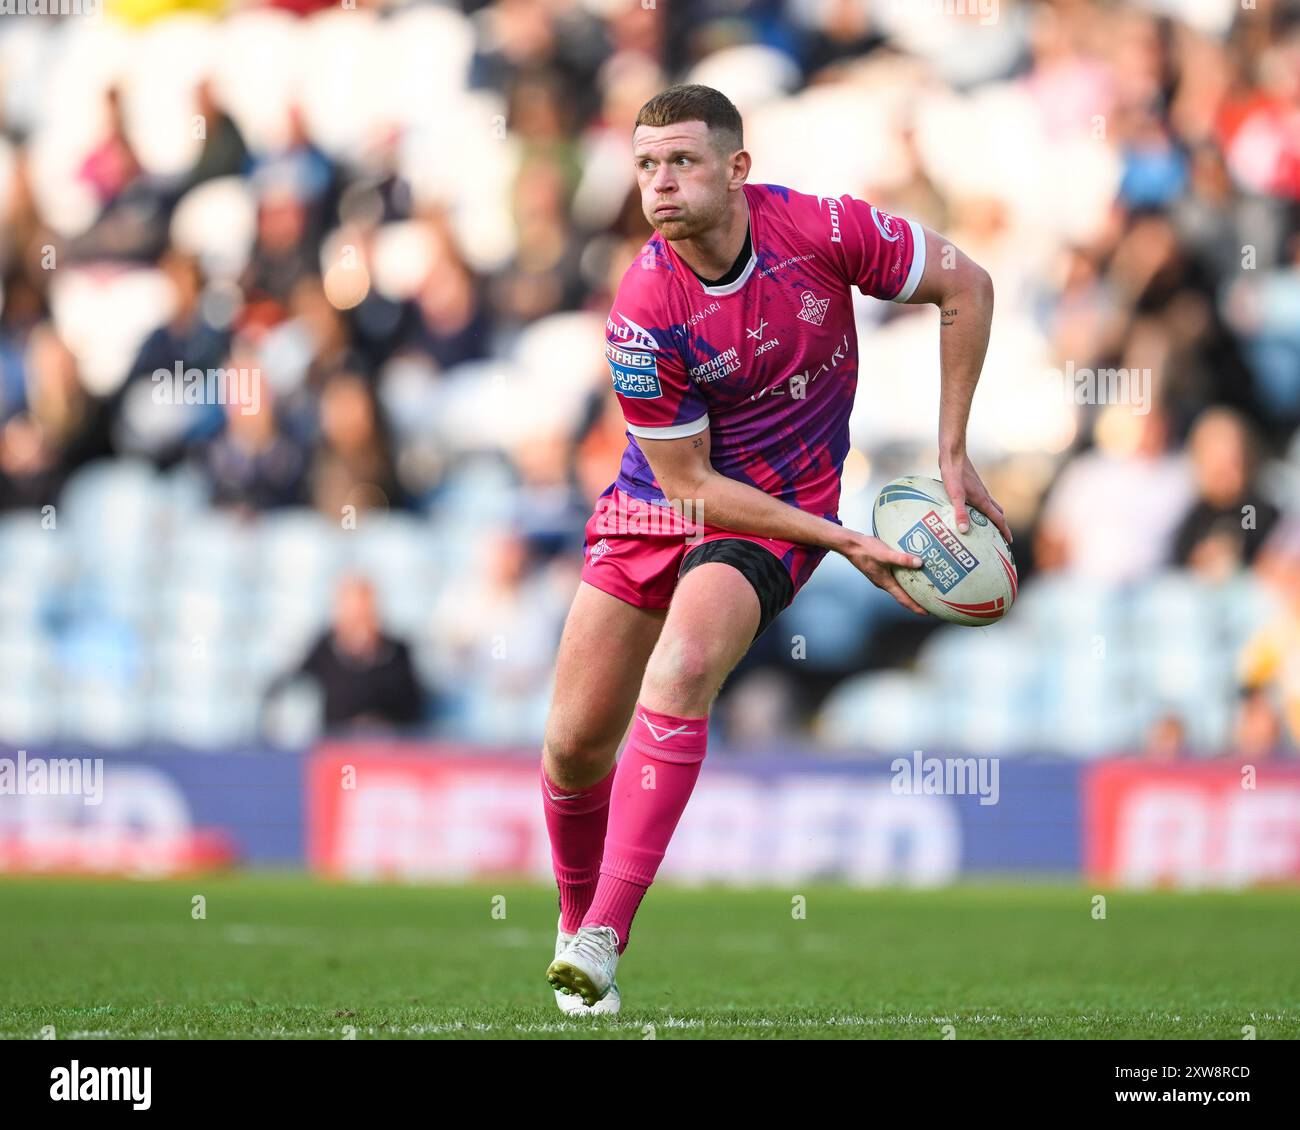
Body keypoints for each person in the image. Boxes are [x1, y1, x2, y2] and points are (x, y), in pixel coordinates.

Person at [540, 84, 1009, 1013]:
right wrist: (842, 540)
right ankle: (570, 913)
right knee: (571, 746)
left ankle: (604, 938)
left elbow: (969, 284)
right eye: (645, 165)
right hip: (661, 503)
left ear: (737, 167)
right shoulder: (641, 307)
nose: (660, 183)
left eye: (681, 160)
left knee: (678, 671)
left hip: (776, 511)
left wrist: (951, 450)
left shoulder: (827, 231)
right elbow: (688, 487)